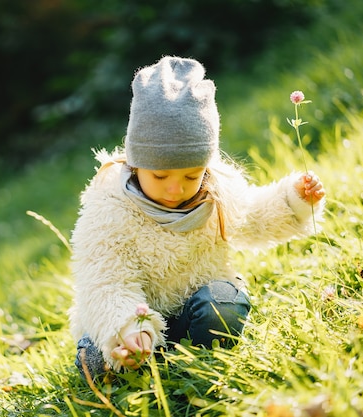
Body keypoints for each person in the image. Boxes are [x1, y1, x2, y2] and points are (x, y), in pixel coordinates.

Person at [68, 56, 326, 379]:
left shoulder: (217, 194)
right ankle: (118, 359)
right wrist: (130, 328)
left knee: (226, 303)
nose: (176, 189)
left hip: (191, 315)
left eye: (191, 176)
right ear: (136, 164)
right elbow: (106, 284)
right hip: (131, 322)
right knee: (105, 353)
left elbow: (257, 216)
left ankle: (193, 360)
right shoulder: (110, 209)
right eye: (160, 176)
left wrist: (295, 199)